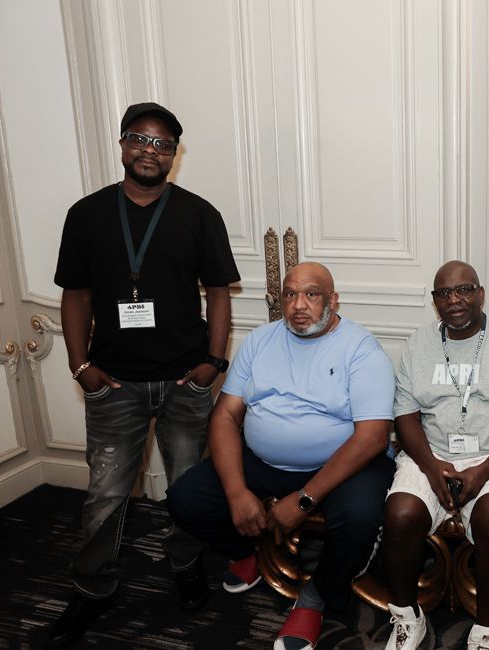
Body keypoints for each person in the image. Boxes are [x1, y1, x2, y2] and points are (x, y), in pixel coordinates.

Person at [49, 102, 240, 648]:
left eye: (162, 144)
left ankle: (184, 563)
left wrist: (213, 362)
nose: (149, 151)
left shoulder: (199, 214)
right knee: (106, 493)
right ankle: (93, 588)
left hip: (185, 381)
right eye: (139, 139)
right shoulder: (86, 215)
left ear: (174, 156)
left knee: (187, 488)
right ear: (122, 143)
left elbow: (218, 293)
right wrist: (79, 365)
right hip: (113, 383)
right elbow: (76, 294)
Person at [167, 261, 395, 650]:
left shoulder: (361, 349)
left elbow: (372, 437)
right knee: (184, 498)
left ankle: (316, 596)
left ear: (333, 300)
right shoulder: (259, 341)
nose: (299, 304)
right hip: (265, 462)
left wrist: (306, 498)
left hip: (342, 463)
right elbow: (224, 415)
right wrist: (238, 492)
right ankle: (252, 551)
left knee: (358, 521)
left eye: (311, 294)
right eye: (290, 294)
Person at [381, 261, 489, 650]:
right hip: (432, 453)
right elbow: (406, 416)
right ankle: (405, 617)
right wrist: (433, 471)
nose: (454, 300)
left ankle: (485, 630)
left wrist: (482, 472)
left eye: (464, 290)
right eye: (443, 293)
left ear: (481, 293)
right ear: (435, 301)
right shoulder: (419, 344)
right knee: (400, 514)